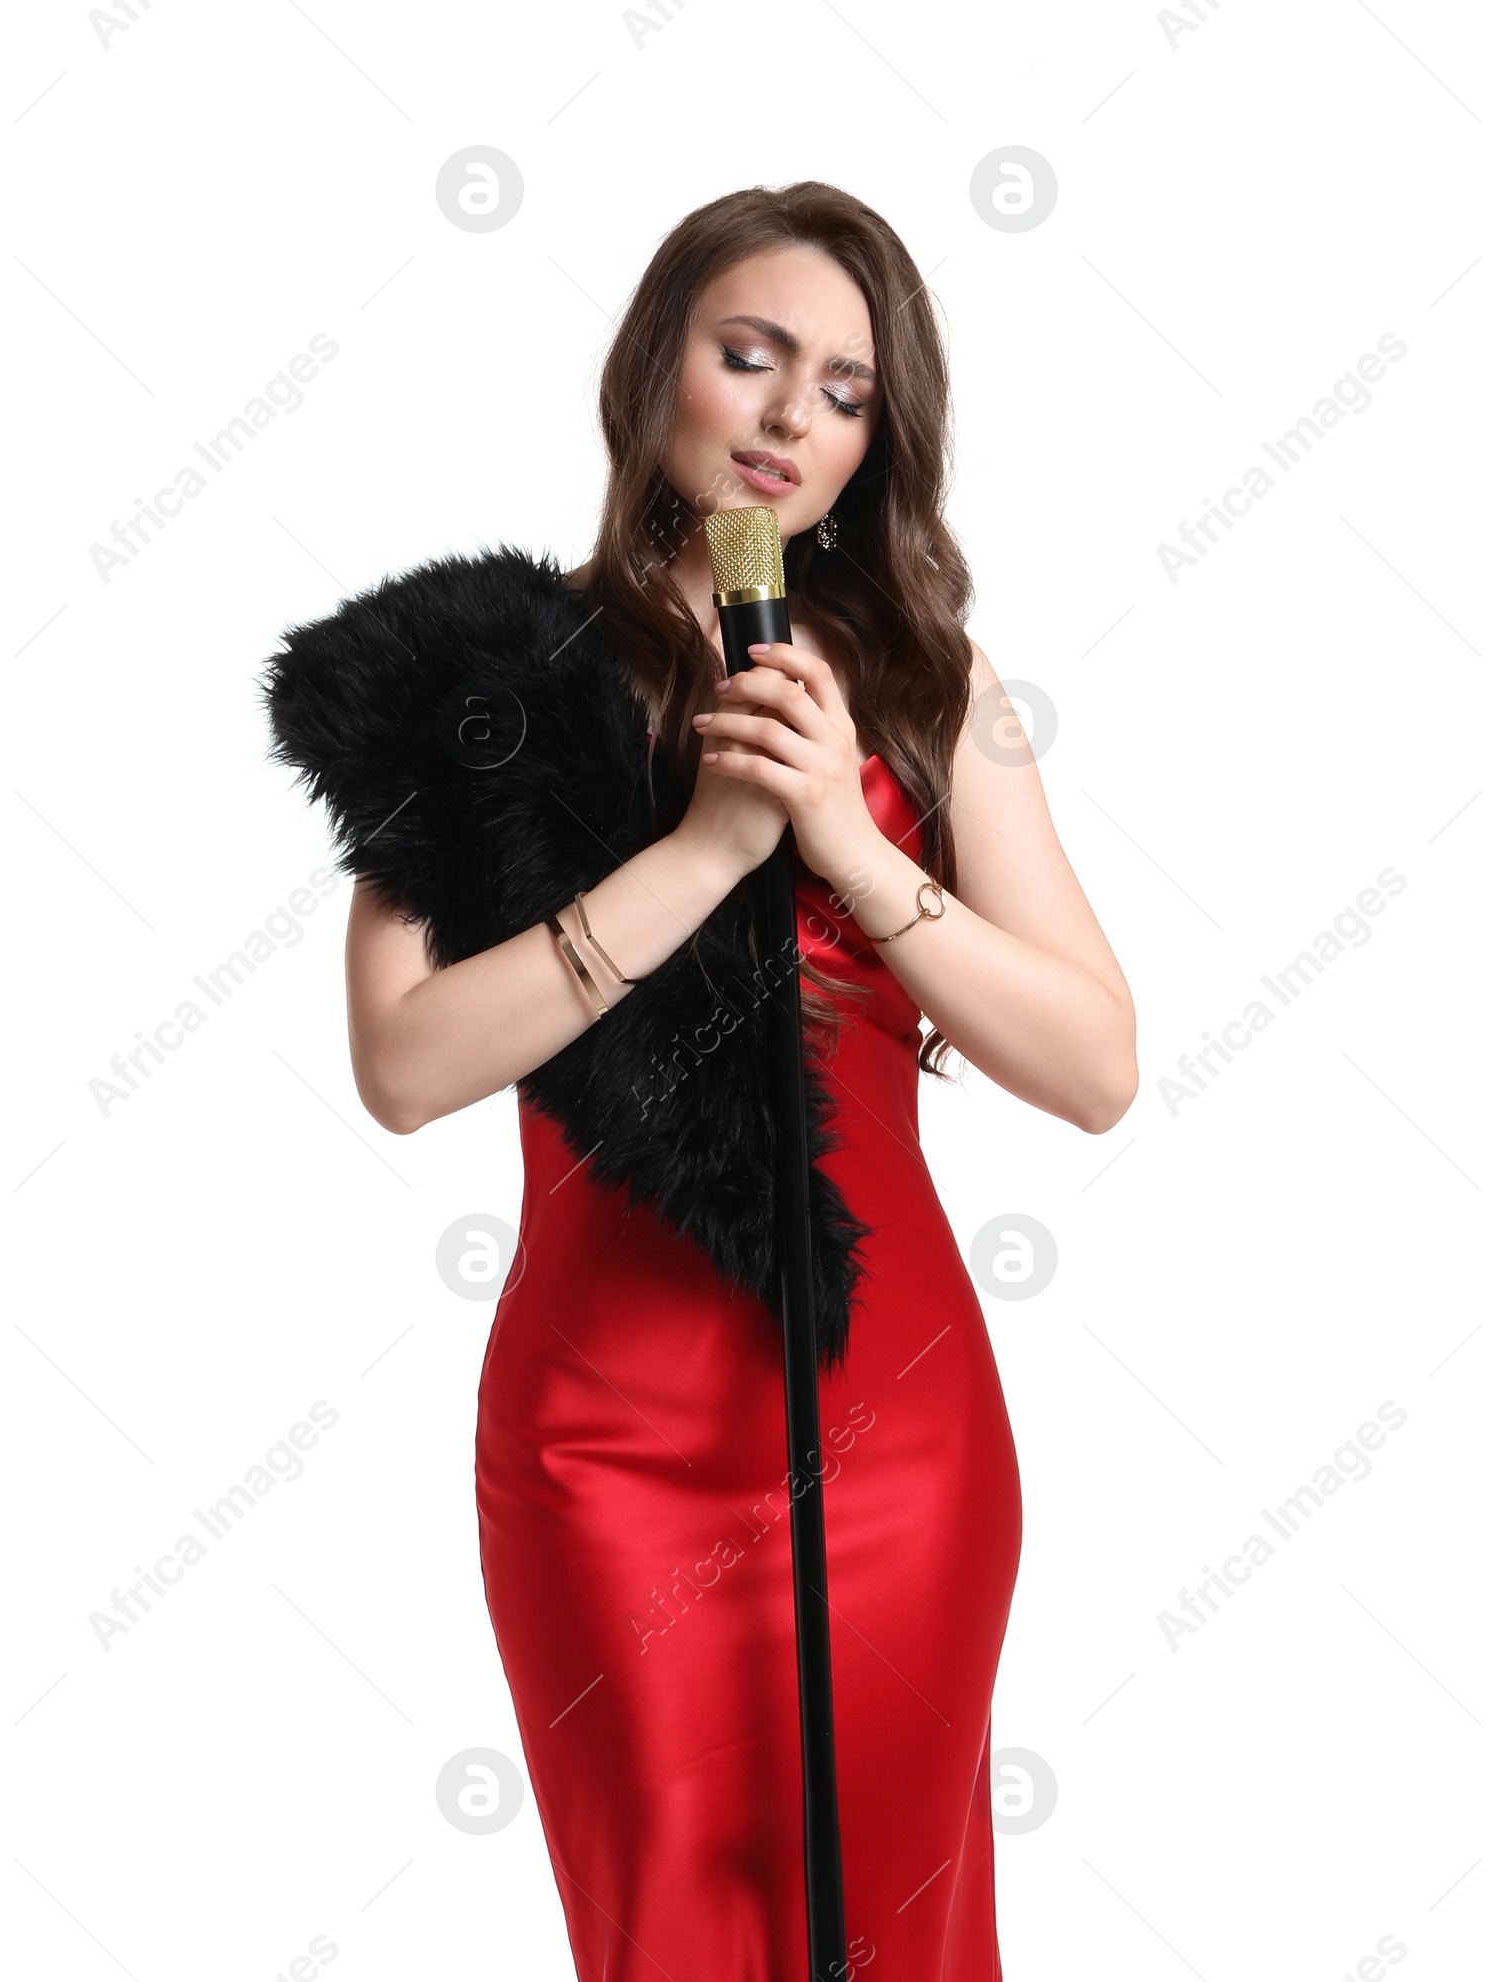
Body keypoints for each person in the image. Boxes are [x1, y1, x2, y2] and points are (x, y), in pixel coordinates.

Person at [340, 183, 1135, 1978]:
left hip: (898, 1427)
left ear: (877, 440)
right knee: (670, 1930)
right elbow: (403, 1061)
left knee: (900, 1934)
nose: (789, 419)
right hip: (600, 1438)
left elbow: (1096, 1063)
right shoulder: (483, 675)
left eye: (845, 389)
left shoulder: (936, 686)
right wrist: (704, 849)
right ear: (656, 373)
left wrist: (853, 850)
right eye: (750, 355)